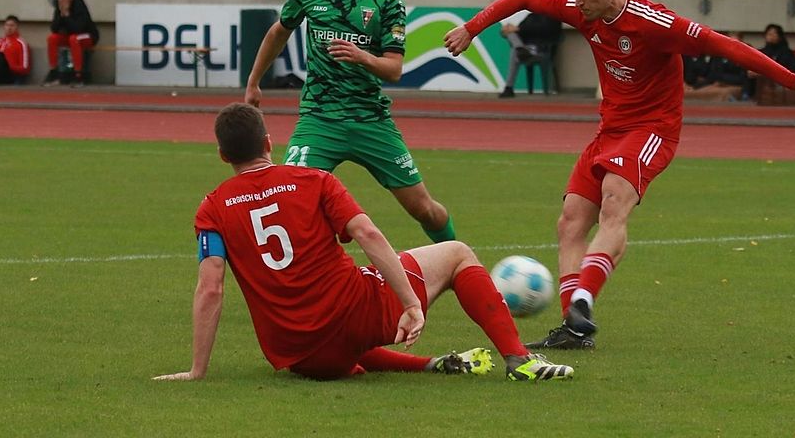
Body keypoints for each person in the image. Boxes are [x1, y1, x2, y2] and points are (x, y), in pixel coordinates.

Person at [443, 0, 795, 349]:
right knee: (570, 222)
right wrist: (472, 28)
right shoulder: (581, 10)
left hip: (652, 130)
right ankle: (572, 328)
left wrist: (790, 79)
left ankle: (583, 301)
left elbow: (724, 46)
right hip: (610, 129)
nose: (576, 0)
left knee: (613, 203)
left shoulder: (654, 22)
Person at [153, 102, 575, 382]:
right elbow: (368, 234)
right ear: (268, 142)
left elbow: (211, 288)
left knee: (340, 334)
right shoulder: (314, 180)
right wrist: (410, 302)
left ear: (223, 155)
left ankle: (432, 365)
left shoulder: (211, 207)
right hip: (356, 316)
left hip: (299, 356)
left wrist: (196, 371)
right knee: (457, 253)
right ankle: (518, 359)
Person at [245, 0, 457, 244]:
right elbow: (278, 32)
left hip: (370, 120)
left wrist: (362, 57)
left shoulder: (388, 2)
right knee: (290, 202)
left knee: (423, 209)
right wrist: (254, 81)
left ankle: (458, 260)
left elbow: (394, 69)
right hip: (319, 118)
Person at [42, 0, 100, 87]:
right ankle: (54, 72)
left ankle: (78, 75)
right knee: (52, 39)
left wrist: (68, 15)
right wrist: (61, 14)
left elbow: (79, 28)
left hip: (87, 35)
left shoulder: (79, 4)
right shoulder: (58, 7)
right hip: (69, 36)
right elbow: (54, 29)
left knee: (74, 39)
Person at [497, 12, 563, 98]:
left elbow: (545, 30)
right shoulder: (531, 16)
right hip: (527, 48)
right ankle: (520, 49)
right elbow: (520, 31)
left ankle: (509, 87)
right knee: (511, 35)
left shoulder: (553, 16)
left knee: (515, 52)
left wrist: (518, 29)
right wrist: (508, 29)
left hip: (541, 49)